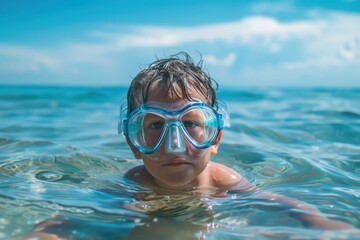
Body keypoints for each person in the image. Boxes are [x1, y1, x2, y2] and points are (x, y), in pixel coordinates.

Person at [119, 52, 353, 229]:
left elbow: (282, 204)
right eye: (156, 125)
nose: (174, 144)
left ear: (215, 140)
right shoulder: (135, 181)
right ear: (134, 144)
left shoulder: (222, 180)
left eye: (190, 123)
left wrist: (320, 223)